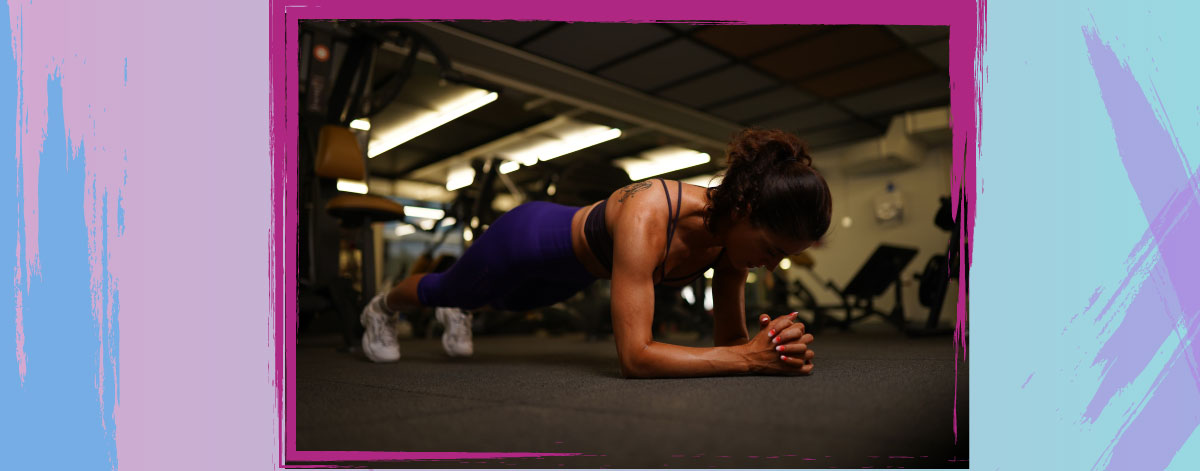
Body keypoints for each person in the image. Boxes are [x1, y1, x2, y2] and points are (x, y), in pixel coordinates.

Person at [359, 128, 832, 378]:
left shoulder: (732, 245)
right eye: (772, 249)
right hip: (528, 238)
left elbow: (731, 345)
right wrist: (749, 360)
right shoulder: (652, 212)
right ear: (744, 209)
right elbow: (636, 359)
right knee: (448, 288)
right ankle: (381, 308)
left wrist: (774, 347)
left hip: (575, 273)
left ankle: (464, 309)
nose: (772, 264)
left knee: (504, 302)